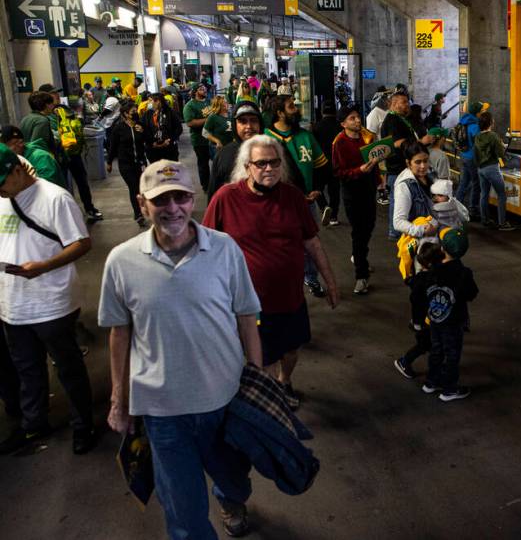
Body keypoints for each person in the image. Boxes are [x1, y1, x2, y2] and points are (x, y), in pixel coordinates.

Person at [99, 160, 262, 539]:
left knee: (235, 477)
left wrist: (256, 385)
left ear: (194, 200)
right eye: (161, 200)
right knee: (184, 516)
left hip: (225, 399)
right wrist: (118, 401)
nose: (172, 208)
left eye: (181, 197)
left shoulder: (224, 249)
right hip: (161, 409)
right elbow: (119, 334)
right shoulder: (121, 261)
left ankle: (231, 496)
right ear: (142, 204)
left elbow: (246, 316)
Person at [204, 136, 338, 410]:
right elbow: (205, 248)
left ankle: (283, 382)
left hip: (290, 297)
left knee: (290, 350)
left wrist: (331, 282)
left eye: (274, 162)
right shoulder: (226, 198)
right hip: (249, 302)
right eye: (261, 163)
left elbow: (311, 242)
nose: (268, 168)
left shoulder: (292, 197)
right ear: (247, 165)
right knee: (261, 356)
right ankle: (264, 398)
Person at [0, 142, 97, 456]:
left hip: (52, 303)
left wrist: (44, 266)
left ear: (17, 169)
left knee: (68, 367)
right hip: (13, 305)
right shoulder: (2, 200)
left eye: (2, 182)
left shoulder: (55, 198)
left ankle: (84, 424)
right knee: (27, 369)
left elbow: (81, 244)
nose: (1, 191)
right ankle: (33, 423)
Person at [264, 95, 331, 298]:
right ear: (279, 113)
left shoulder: (305, 136)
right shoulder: (266, 138)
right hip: (276, 204)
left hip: (306, 202)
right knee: (278, 245)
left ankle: (310, 278)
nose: (297, 109)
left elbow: (322, 166)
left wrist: (317, 188)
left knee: (309, 242)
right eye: (291, 106)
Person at [412, 232, 478, 402]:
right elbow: (471, 293)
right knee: (452, 353)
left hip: (435, 318)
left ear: (443, 247)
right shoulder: (463, 273)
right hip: (454, 320)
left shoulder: (432, 270)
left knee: (436, 349)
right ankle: (449, 389)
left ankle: (431, 381)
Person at [331, 105, 381, 295]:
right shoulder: (339, 143)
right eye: (352, 118)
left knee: (368, 227)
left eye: (358, 117)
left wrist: (378, 181)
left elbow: (374, 161)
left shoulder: (366, 137)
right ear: (343, 123)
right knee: (359, 232)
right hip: (352, 193)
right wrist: (359, 171)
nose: (358, 120)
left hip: (369, 189)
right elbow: (338, 172)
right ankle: (361, 276)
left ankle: (361, 258)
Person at [381, 91, 433, 239]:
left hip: (402, 167)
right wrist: (420, 143)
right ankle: (395, 232)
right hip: (397, 168)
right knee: (397, 200)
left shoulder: (401, 119)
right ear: (394, 103)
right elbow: (396, 143)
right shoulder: (392, 120)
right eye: (404, 102)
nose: (407, 105)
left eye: (407, 101)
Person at [208, 103, 264, 200]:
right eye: (242, 121)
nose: (249, 126)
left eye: (254, 120)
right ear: (234, 125)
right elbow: (214, 196)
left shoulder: (272, 152)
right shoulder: (224, 155)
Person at [106, 99, 148, 226]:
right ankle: (138, 214)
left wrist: (143, 132)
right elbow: (112, 146)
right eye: (133, 112)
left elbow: (148, 141)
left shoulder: (139, 125)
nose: (135, 113)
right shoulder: (118, 128)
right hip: (125, 164)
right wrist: (109, 162)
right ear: (125, 114)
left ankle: (142, 209)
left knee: (141, 188)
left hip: (139, 162)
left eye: (136, 111)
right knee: (133, 187)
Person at [475, 111, 514, 231]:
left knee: (484, 194)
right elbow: (500, 153)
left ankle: (485, 219)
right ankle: (502, 223)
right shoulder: (493, 136)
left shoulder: (477, 136)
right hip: (492, 168)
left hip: (481, 168)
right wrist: (505, 152)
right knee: (501, 195)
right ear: (491, 122)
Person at [392, 141, 439, 240]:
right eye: (418, 162)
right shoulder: (404, 186)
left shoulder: (431, 174)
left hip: (437, 237)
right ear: (408, 163)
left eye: (425, 161)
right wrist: (422, 230)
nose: (423, 166)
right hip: (420, 244)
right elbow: (398, 222)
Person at [0, 126, 66, 189]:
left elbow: (46, 185)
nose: (2, 151)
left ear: (20, 143)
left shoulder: (41, 157)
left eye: (5, 147)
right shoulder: (12, 160)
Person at [454, 101, 485, 221]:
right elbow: (479, 143)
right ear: (477, 113)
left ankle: (456, 206)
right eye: (482, 111)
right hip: (472, 157)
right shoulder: (474, 126)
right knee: (476, 183)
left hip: (463, 156)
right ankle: (473, 209)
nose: (484, 112)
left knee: (464, 181)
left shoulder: (463, 121)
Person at [312, 107, 342, 226]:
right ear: (335, 112)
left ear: (322, 112)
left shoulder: (316, 127)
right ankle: (334, 217)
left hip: (321, 162)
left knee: (317, 187)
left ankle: (324, 206)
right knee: (334, 190)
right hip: (336, 162)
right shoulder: (340, 126)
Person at [182, 83, 211, 189]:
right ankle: (206, 185)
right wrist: (208, 120)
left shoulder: (208, 102)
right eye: (201, 89)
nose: (204, 90)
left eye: (204, 88)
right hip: (200, 140)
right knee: (203, 164)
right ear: (195, 92)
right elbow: (190, 123)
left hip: (213, 139)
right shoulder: (190, 106)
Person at [142, 92, 182, 163]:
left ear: (158, 101)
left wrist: (171, 140)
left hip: (169, 149)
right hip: (153, 150)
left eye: (151, 101)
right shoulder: (147, 114)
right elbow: (144, 130)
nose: (149, 103)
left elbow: (178, 128)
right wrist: (151, 142)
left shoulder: (170, 112)